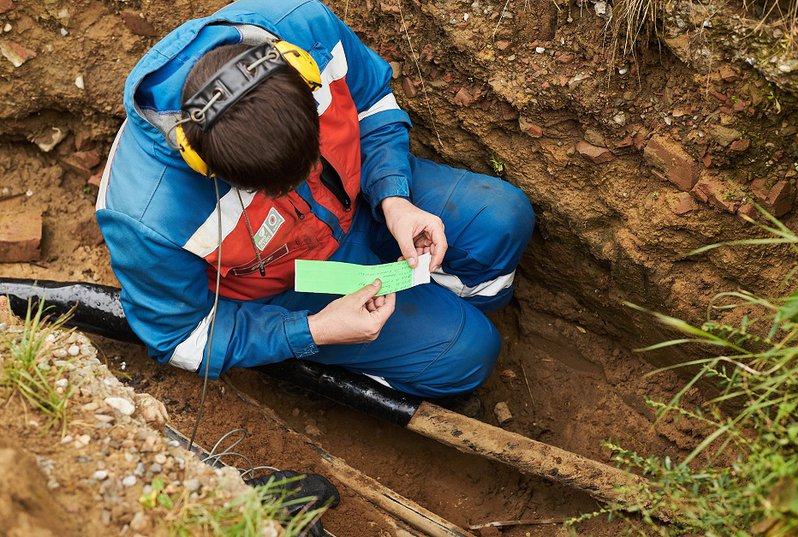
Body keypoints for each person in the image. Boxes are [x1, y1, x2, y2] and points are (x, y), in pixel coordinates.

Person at [96, 0, 534, 398]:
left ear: (300, 75)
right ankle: (420, 355)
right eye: (276, 187)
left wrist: (394, 198)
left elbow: (373, 105)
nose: (305, 179)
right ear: (209, 170)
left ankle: (457, 303)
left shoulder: (306, 29)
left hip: (364, 205)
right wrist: (316, 330)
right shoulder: (146, 214)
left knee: (501, 218)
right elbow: (180, 338)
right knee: (468, 352)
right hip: (288, 286)